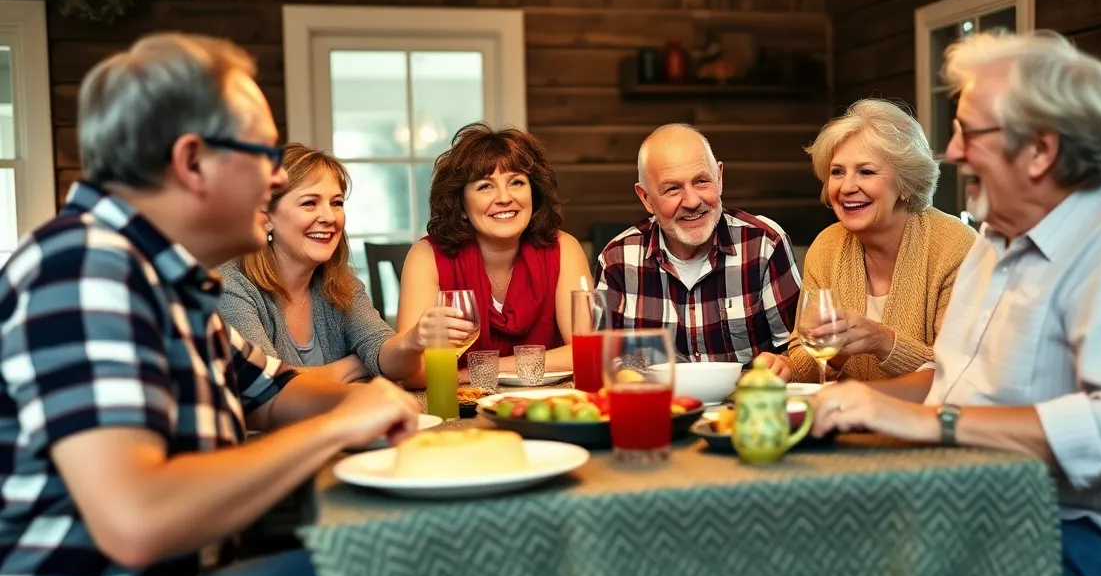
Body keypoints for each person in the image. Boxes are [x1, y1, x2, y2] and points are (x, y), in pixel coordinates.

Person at [0, 34, 515, 576]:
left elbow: (273, 389)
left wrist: (375, 400)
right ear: (192, 161)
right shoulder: (85, 269)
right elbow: (137, 519)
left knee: (427, 564)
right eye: (264, 155)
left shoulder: (167, 282)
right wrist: (339, 424)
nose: (276, 180)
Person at [753, 30, 1101, 576]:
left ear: (1041, 150)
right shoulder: (997, 241)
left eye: (970, 131)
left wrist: (936, 421)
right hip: (984, 508)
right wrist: (851, 402)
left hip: (1096, 553)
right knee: (777, 568)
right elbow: (951, 379)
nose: (951, 151)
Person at [789, 100, 976, 383]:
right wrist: (799, 363)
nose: (847, 187)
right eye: (837, 172)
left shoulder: (954, 245)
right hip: (844, 410)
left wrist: (882, 341)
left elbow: (962, 373)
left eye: (866, 171)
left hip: (924, 413)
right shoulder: (827, 246)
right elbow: (803, 362)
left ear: (905, 183)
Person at [595, 123, 801, 376]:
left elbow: (799, 352)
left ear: (719, 178)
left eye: (702, 181)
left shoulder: (764, 245)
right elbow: (600, 362)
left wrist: (787, 364)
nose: (692, 202)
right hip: (656, 399)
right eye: (673, 189)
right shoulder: (616, 259)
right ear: (646, 198)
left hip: (746, 399)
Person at [396, 122, 592, 384]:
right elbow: (412, 373)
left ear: (534, 194)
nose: (504, 198)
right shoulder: (427, 255)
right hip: (459, 403)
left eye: (516, 182)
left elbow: (586, 352)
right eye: (485, 186)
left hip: (544, 401)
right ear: (461, 205)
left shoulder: (564, 248)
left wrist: (474, 371)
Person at [218, 143, 425, 384]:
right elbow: (265, 385)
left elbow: (389, 360)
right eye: (309, 203)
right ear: (267, 218)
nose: (329, 217)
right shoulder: (231, 286)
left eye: (336, 203)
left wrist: (411, 342)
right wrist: (355, 365)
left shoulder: (342, 284)